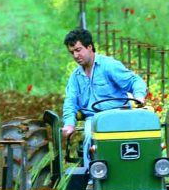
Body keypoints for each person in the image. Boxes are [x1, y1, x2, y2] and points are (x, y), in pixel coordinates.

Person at [61, 28, 147, 163]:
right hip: (94, 119)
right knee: (89, 136)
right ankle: (92, 176)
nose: (76, 56)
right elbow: (70, 101)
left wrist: (139, 96)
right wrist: (69, 124)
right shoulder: (75, 77)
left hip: (119, 114)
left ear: (89, 47)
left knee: (136, 141)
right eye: (72, 53)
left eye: (78, 50)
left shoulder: (108, 66)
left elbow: (134, 81)